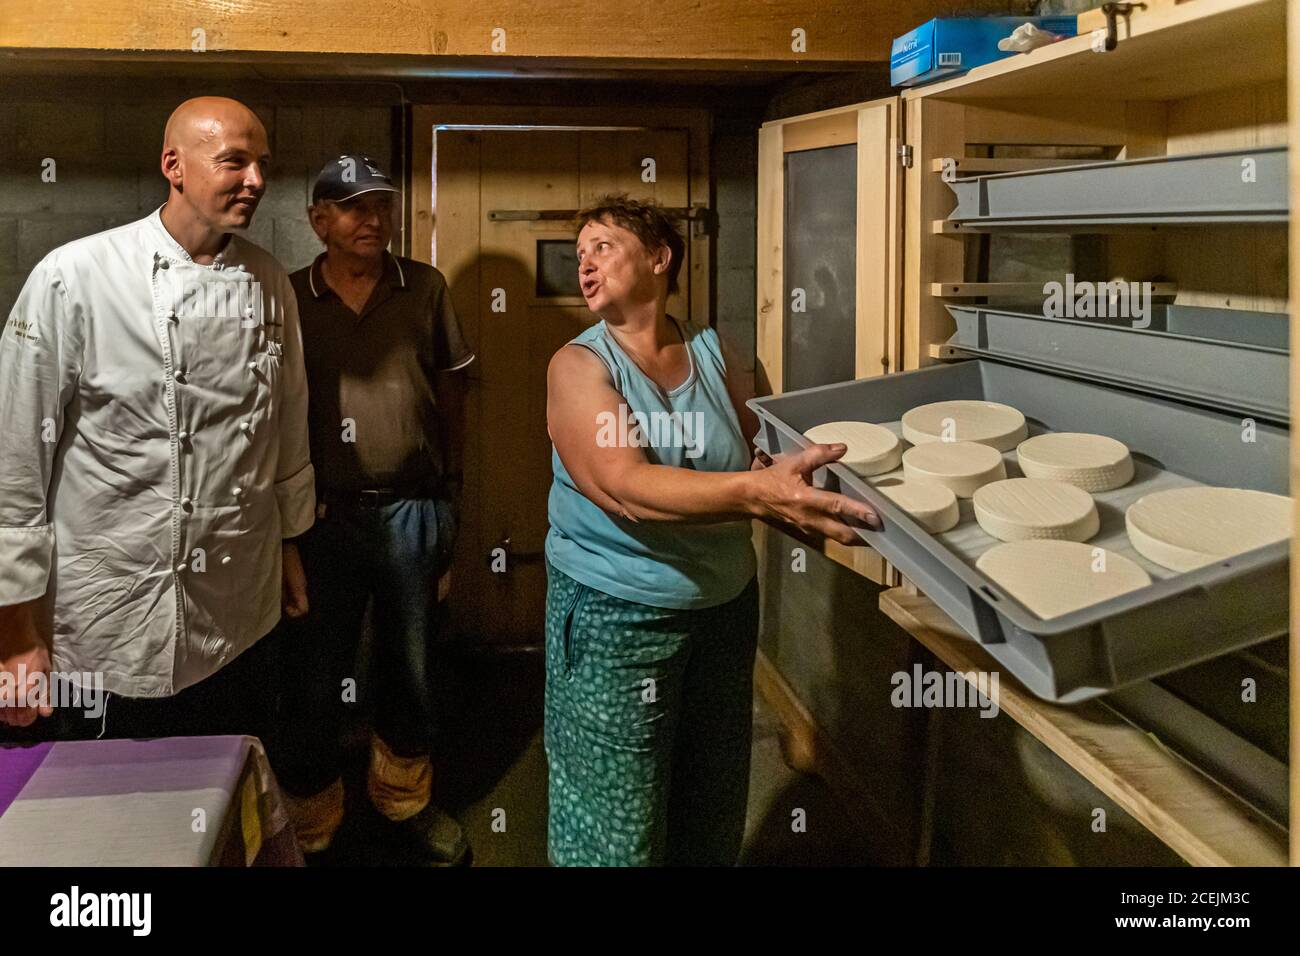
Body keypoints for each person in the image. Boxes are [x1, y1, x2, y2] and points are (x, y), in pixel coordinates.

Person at [543, 194, 880, 866]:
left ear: (661, 258)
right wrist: (759, 495)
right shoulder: (579, 366)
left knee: (711, 796)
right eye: (578, 254)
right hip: (619, 614)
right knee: (614, 821)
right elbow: (623, 485)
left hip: (723, 609)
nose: (584, 263)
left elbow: (759, 455)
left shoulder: (718, 353)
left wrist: (799, 487)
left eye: (602, 246)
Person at [0, 96, 313, 742]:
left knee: (218, 795)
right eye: (234, 161)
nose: (255, 180)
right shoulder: (75, 278)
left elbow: (287, 428)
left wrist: (288, 547)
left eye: (262, 164)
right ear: (174, 164)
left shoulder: (269, 281)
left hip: (235, 613)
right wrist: (14, 635)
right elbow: (14, 463)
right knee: (95, 812)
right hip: (100, 615)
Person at [274, 156, 475, 865]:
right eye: (354, 208)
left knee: (412, 668)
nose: (374, 221)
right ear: (319, 221)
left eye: (382, 206)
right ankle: (310, 818)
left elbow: (453, 388)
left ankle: (404, 803)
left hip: (412, 510)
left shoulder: (422, 287)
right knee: (311, 674)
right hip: (317, 518)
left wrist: (452, 489)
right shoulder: (288, 295)